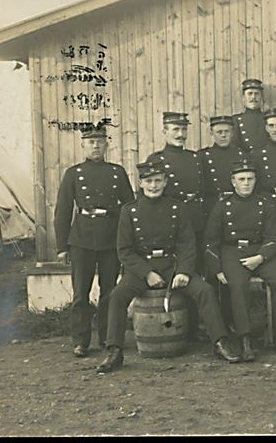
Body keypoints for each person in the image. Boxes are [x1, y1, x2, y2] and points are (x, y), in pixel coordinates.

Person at [96, 160, 240, 373]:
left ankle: (219, 342)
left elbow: (187, 243)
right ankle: (115, 350)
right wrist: (147, 273)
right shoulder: (129, 211)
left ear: (165, 182)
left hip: (172, 265)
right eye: (149, 181)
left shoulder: (177, 208)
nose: (153, 186)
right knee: (117, 295)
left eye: (157, 181)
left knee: (205, 290)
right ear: (141, 183)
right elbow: (125, 250)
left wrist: (183, 270)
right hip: (141, 268)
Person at [54, 125, 134, 357]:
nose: (96, 146)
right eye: (91, 142)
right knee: (81, 292)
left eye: (100, 141)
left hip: (111, 239)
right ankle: (81, 341)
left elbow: (129, 208)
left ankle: (107, 338)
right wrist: (62, 247)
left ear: (106, 144)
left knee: (109, 291)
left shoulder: (117, 172)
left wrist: (128, 242)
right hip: (81, 239)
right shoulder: (73, 173)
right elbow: (63, 211)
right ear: (83, 146)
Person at [205, 159, 276, 360]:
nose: (246, 183)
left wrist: (261, 257)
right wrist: (217, 269)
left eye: (250, 179)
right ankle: (245, 339)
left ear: (256, 181)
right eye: (242, 179)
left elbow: (273, 237)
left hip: (259, 251)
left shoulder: (265, 204)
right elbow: (211, 242)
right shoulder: (222, 206)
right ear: (233, 182)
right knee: (238, 284)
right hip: (232, 253)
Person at [146, 112, 206, 272]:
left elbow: (204, 190)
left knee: (197, 264)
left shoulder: (195, 158)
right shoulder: (156, 160)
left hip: (194, 218)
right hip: (169, 218)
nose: (181, 134)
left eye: (184, 129)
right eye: (175, 129)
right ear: (164, 131)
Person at [197, 115, 245, 217]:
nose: (223, 135)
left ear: (232, 133)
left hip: (238, 206)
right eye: (219, 132)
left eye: (227, 132)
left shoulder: (242, 155)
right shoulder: (203, 156)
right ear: (211, 133)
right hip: (213, 207)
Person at [231, 78, 268, 152]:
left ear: (261, 97)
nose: (253, 97)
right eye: (250, 93)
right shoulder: (235, 120)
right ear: (243, 98)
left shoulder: (269, 118)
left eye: (256, 93)